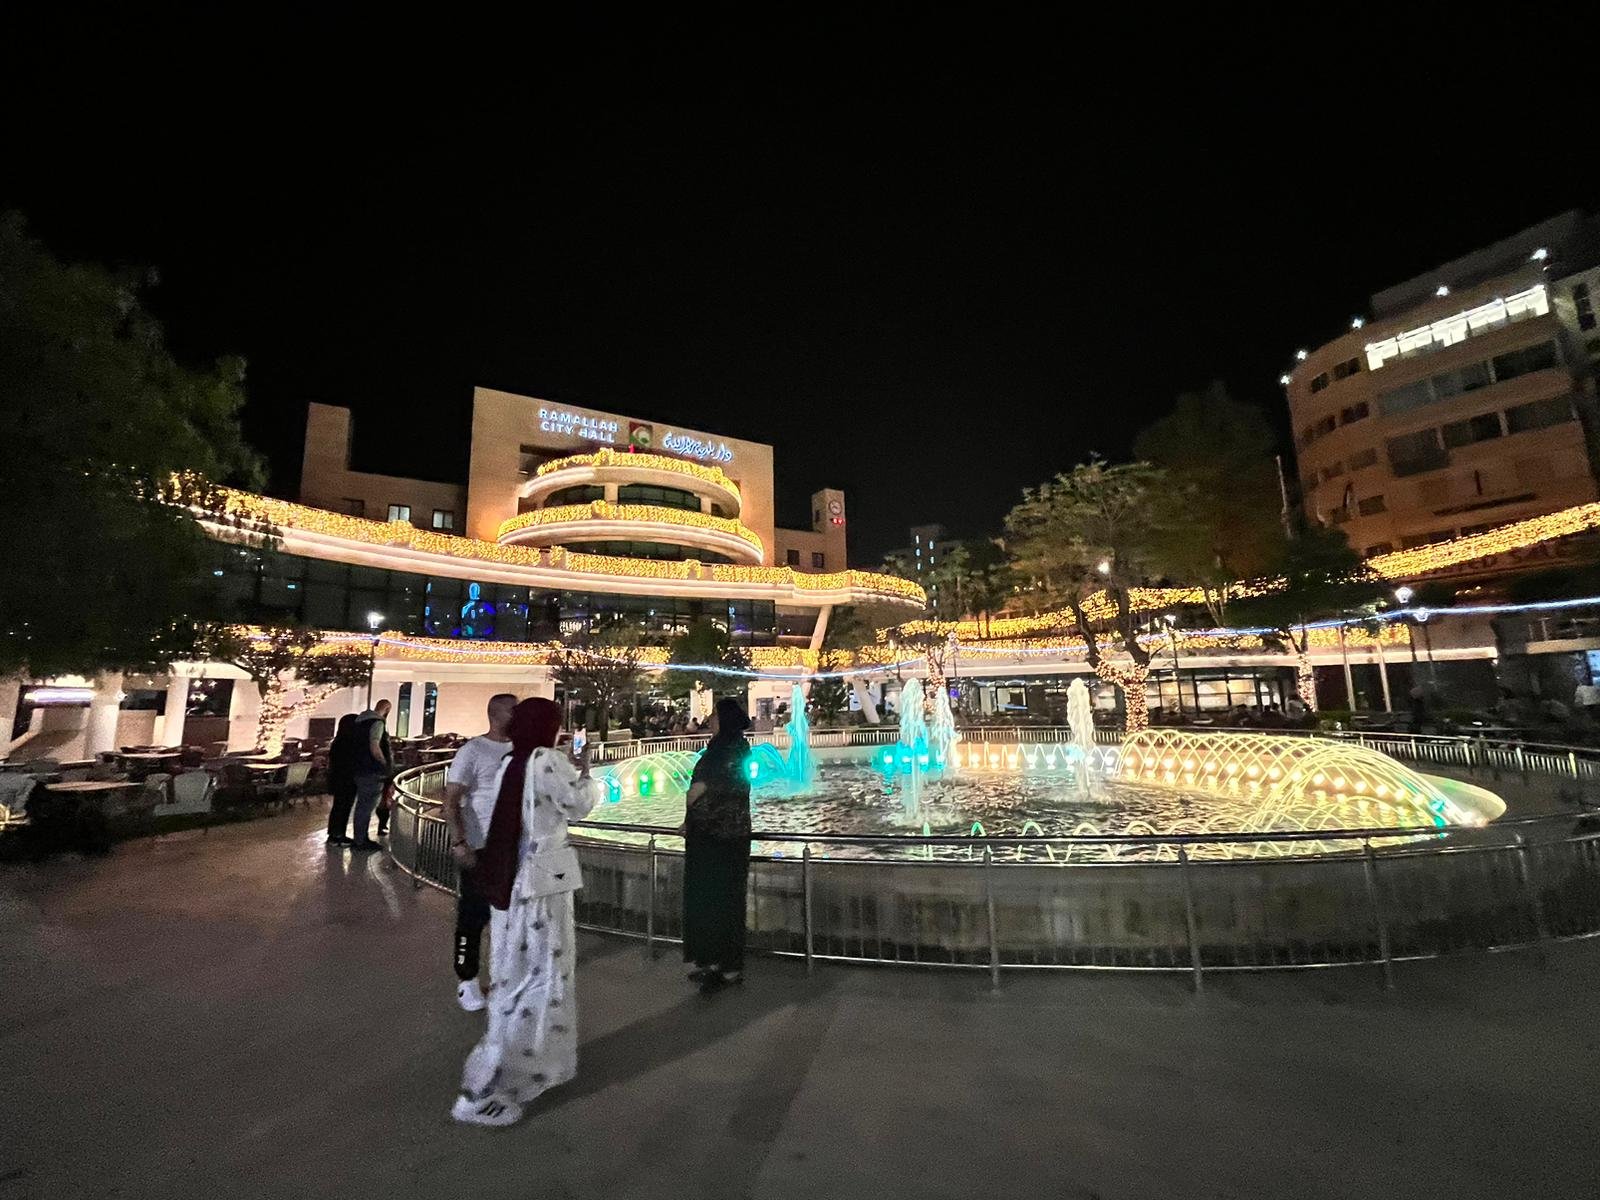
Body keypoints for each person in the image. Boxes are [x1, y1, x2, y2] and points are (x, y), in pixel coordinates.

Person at [452, 697, 600, 1128]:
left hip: (514, 883)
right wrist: (586, 772)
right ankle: (490, 1084)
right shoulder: (545, 761)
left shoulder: (511, 761)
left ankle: (528, 1062)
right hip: (540, 889)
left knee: (516, 973)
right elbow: (579, 805)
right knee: (538, 975)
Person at [442, 692, 517, 1012]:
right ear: (495, 714)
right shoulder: (472, 751)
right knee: (473, 914)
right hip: (480, 845)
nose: (519, 716)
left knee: (508, 915)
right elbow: (450, 800)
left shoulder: (521, 749)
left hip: (511, 847)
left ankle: (504, 976)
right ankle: (467, 980)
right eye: (514, 710)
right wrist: (460, 842)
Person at [681, 697, 752, 995]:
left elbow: (700, 791)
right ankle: (718, 962)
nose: (710, 719)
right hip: (724, 836)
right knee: (721, 900)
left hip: (716, 838)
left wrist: (694, 801)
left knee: (716, 899)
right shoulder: (733, 750)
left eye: (714, 715)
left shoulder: (724, 753)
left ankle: (722, 964)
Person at [349, 698, 392, 850]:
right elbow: (375, 746)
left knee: (361, 805)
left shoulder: (359, 722)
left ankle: (359, 838)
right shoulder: (377, 723)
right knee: (366, 806)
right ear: (387, 710)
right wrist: (384, 763)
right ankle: (361, 841)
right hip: (372, 770)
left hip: (358, 768)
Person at [324, 713, 361, 847]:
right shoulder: (346, 743)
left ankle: (338, 834)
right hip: (345, 779)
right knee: (342, 806)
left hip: (341, 778)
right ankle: (336, 835)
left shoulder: (339, 741)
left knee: (341, 806)